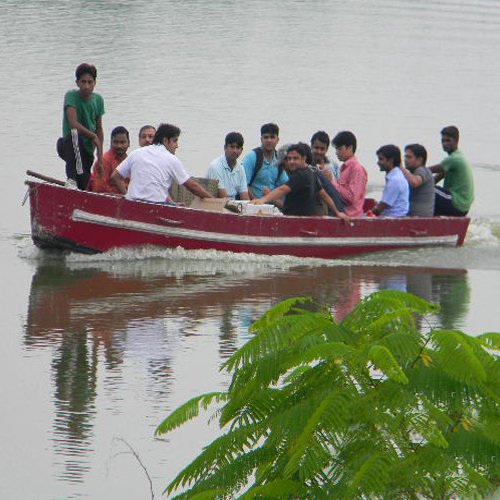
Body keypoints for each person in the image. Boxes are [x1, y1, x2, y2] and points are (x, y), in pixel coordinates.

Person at [110, 123, 212, 203]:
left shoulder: (136, 153)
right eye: (175, 141)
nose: (177, 146)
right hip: (157, 206)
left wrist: (127, 195)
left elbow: (115, 176)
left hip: (132, 204)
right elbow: (192, 186)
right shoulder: (171, 159)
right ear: (165, 141)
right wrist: (212, 199)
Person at [251, 143, 349, 223]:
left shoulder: (299, 175)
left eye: (295, 158)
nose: (291, 162)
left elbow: (283, 189)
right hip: (305, 219)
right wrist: (337, 212)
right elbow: (324, 195)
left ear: (303, 159)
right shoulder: (311, 172)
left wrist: (262, 200)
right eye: (289, 159)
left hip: (294, 221)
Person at [58, 63, 105, 190]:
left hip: (87, 150)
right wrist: (92, 135)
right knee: (75, 134)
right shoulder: (71, 96)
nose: (86, 86)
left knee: (83, 181)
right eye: (83, 82)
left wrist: (100, 158)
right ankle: (71, 178)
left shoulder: (98, 100)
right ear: (77, 82)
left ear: (95, 83)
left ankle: (79, 188)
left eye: (90, 82)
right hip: (70, 145)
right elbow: (73, 123)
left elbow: (99, 129)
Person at [429, 126, 474, 216]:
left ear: (456, 141)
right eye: (443, 141)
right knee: (427, 188)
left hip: (458, 202)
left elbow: (425, 171)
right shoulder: (455, 159)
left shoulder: (454, 159)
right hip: (462, 206)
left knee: (428, 190)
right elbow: (435, 179)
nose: (445, 144)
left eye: (448, 140)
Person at [242, 123, 288, 200]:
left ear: (277, 140)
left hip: (272, 206)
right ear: (261, 139)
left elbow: (285, 185)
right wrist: (257, 202)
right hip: (253, 205)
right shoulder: (252, 157)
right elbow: (243, 185)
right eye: (266, 137)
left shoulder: (279, 159)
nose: (269, 140)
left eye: (272, 137)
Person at [330, 131, 368, 217]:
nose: (336, 152)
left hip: (351, 217)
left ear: (350, 148)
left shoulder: (356, 169)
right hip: (342, 215)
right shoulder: (344, 168)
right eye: (336, 149)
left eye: (339, 149)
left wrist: (331, 182)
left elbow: (351, 198)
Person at [206, 132, 249, 200]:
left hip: (231, 206)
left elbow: (245, 197)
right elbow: (223, 197)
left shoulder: (241, 169)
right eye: (232, 147)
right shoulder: (215, 166)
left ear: (241, 150)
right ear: (225, 148)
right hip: (216, 204)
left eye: (238, 147)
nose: (235, 151)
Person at [89, 126, 130, 194]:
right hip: (110, 200)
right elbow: (100, 189)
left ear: (129, 143)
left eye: (122, 142)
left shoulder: (130, 160)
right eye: (116, 142)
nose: (119, 146)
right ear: (111, 143)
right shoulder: (104, 161)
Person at [371, 144, 409, 217]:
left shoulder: (395, 180)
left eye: (381, 159)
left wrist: (365, 215)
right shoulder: (396, 176)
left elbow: (380, 208)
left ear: (391, 160)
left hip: (393, 219)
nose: (378, 162)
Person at [399, 143, 434, 216]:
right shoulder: (413, 173)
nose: (405, 160)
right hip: (412, 216)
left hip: (419, 218)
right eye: (405, 157)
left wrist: (400, 167)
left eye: (409, 157)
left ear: (419, 159)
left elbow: (414, 182)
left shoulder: (422, 170)